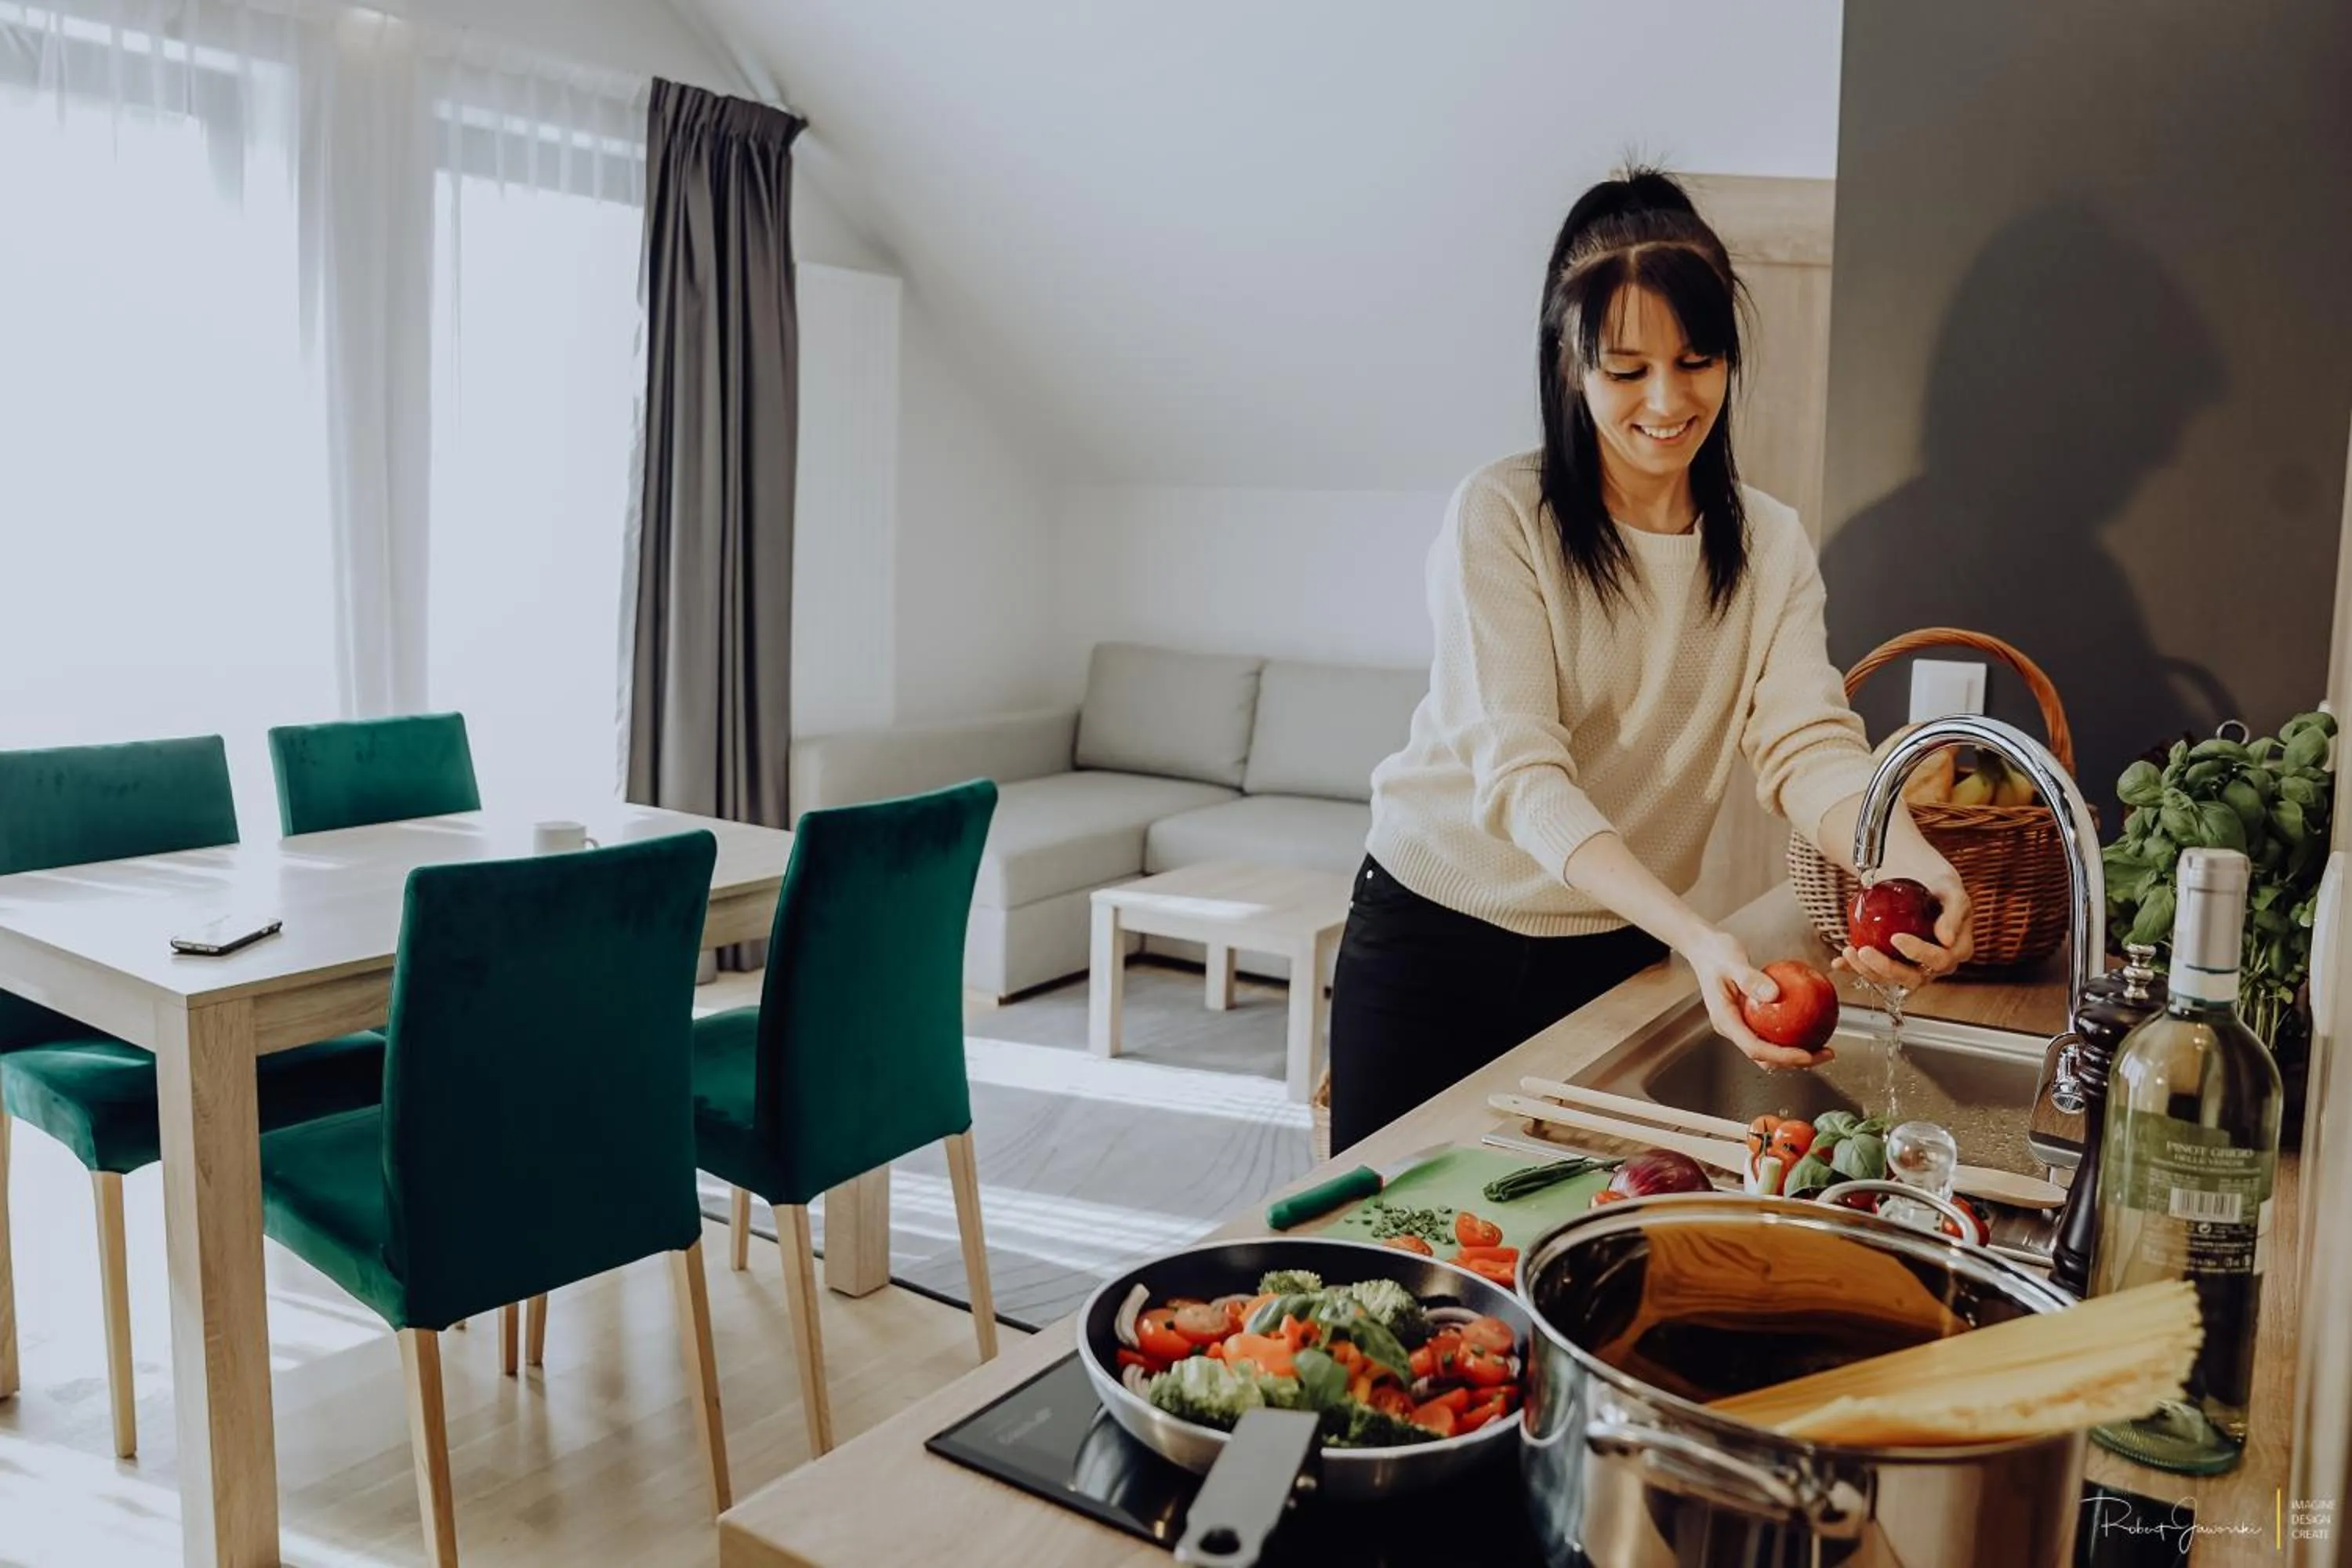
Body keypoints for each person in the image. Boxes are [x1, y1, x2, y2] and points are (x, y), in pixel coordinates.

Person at [1326, 169, 1974, 1150]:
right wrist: (1700, 935)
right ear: (1569, 366)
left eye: (1696, 359)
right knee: (1386, 1222)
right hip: (1437, 933)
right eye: (1626, 370)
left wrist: (1911, 862)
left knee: (1573, 1220)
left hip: (1612, 946)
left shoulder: (1768, 543)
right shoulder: (1502, 516)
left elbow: (1808, 744)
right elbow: (1523, 776)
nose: (1668, 401)